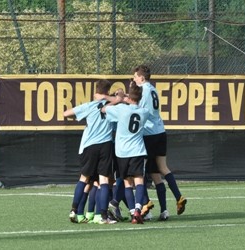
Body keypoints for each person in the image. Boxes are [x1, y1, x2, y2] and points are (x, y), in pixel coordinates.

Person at [131, 65, 187, 221]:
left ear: (141, 78)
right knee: (160, 169)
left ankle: (146, 208)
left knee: (140, 172)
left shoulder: (143, 90)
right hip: (161, 132)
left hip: (148, 134)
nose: (134, 79)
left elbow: (139, 111)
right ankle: (172, 203)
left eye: (135, 76)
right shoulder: (154, 89)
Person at [64, 79, 123, 225]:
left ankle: (74, 210)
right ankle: (103, 216)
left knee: (84, 179)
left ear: (95, 91)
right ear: (107, 92)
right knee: (103, 180)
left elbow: (66, 113)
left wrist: (80, 116)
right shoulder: (113, 108)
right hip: (105, 145)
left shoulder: (89, 106)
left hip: (89, 146)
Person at [102, 83, 149, 224]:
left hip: (122, 152)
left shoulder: (121, 109)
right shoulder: (144, 111)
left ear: (129, 96)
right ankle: (137, 211)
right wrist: (128, 98)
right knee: (139, 181)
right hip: (138, 150)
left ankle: (132, 212)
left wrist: (120, 99)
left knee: (127, 183)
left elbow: (104, 109)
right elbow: (135, 103)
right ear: (140, 97)